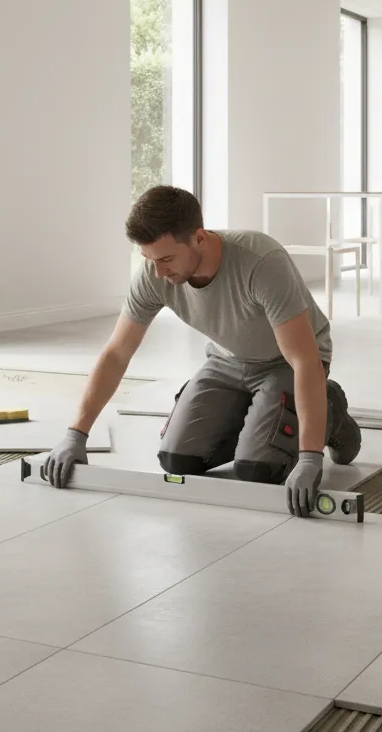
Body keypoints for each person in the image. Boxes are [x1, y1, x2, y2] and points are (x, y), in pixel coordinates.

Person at [45, 185, 361, 516]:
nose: (159, 273)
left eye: (166, 259)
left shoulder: (260, 261)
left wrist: (310, 456)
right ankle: (261, 421)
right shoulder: (155, 274)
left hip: (286, 363)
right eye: (148, 259)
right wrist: (76, 433)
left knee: (258, 470)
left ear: (199, 237)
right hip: (227, 362)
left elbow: (304, 359)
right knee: (177, 461)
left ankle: (332, 411)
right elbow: (117, 354)